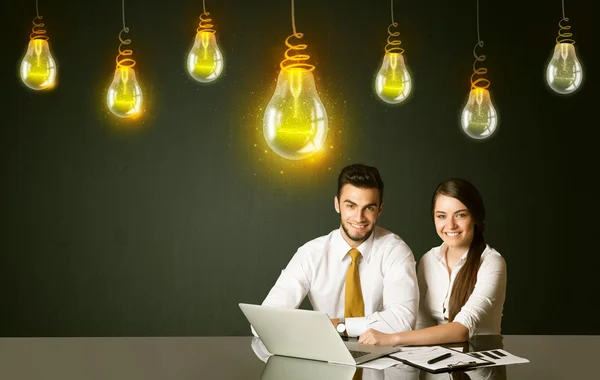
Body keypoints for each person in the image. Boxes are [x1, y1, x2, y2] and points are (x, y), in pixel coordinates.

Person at [256, 163, 419, 337]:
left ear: (380, 209)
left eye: (369, 208)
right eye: (351, 206)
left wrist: (337, 325)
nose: (359, 217)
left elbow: (403, 321)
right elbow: (265, 320)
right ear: (337, 204)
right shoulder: (311, 254)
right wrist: (325, 327)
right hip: (325, 352)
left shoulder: (395, 251)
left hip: (384, 356)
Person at [359, 178, 506, 346]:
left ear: (475, 217)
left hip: (481, 365)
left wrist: (392, 339)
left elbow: (462, 329)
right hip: (436, 363)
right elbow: (421, 326)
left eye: (460, 215)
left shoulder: (491, 262)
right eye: (442, 216)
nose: (450, 225)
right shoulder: (428, 260)